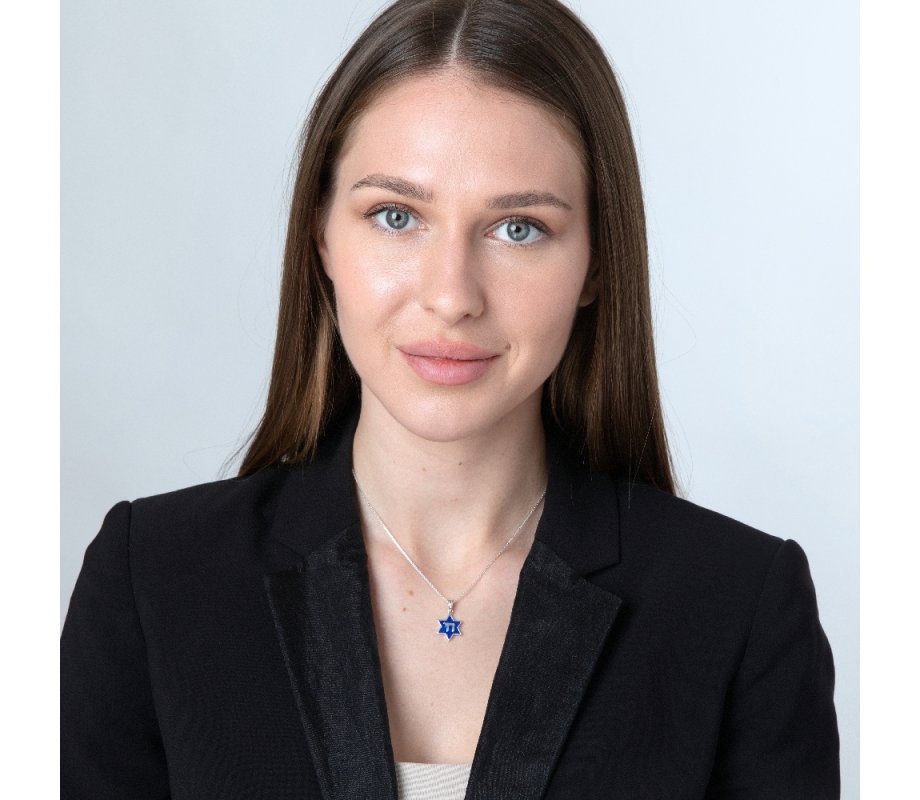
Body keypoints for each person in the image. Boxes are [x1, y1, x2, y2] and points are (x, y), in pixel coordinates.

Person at [60, 0, 840, 797]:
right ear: (322, 236)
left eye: (519, 228)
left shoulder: (738, 607)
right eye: (396, 216)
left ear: (598, 262)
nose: (452, 296)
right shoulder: (154, 582)